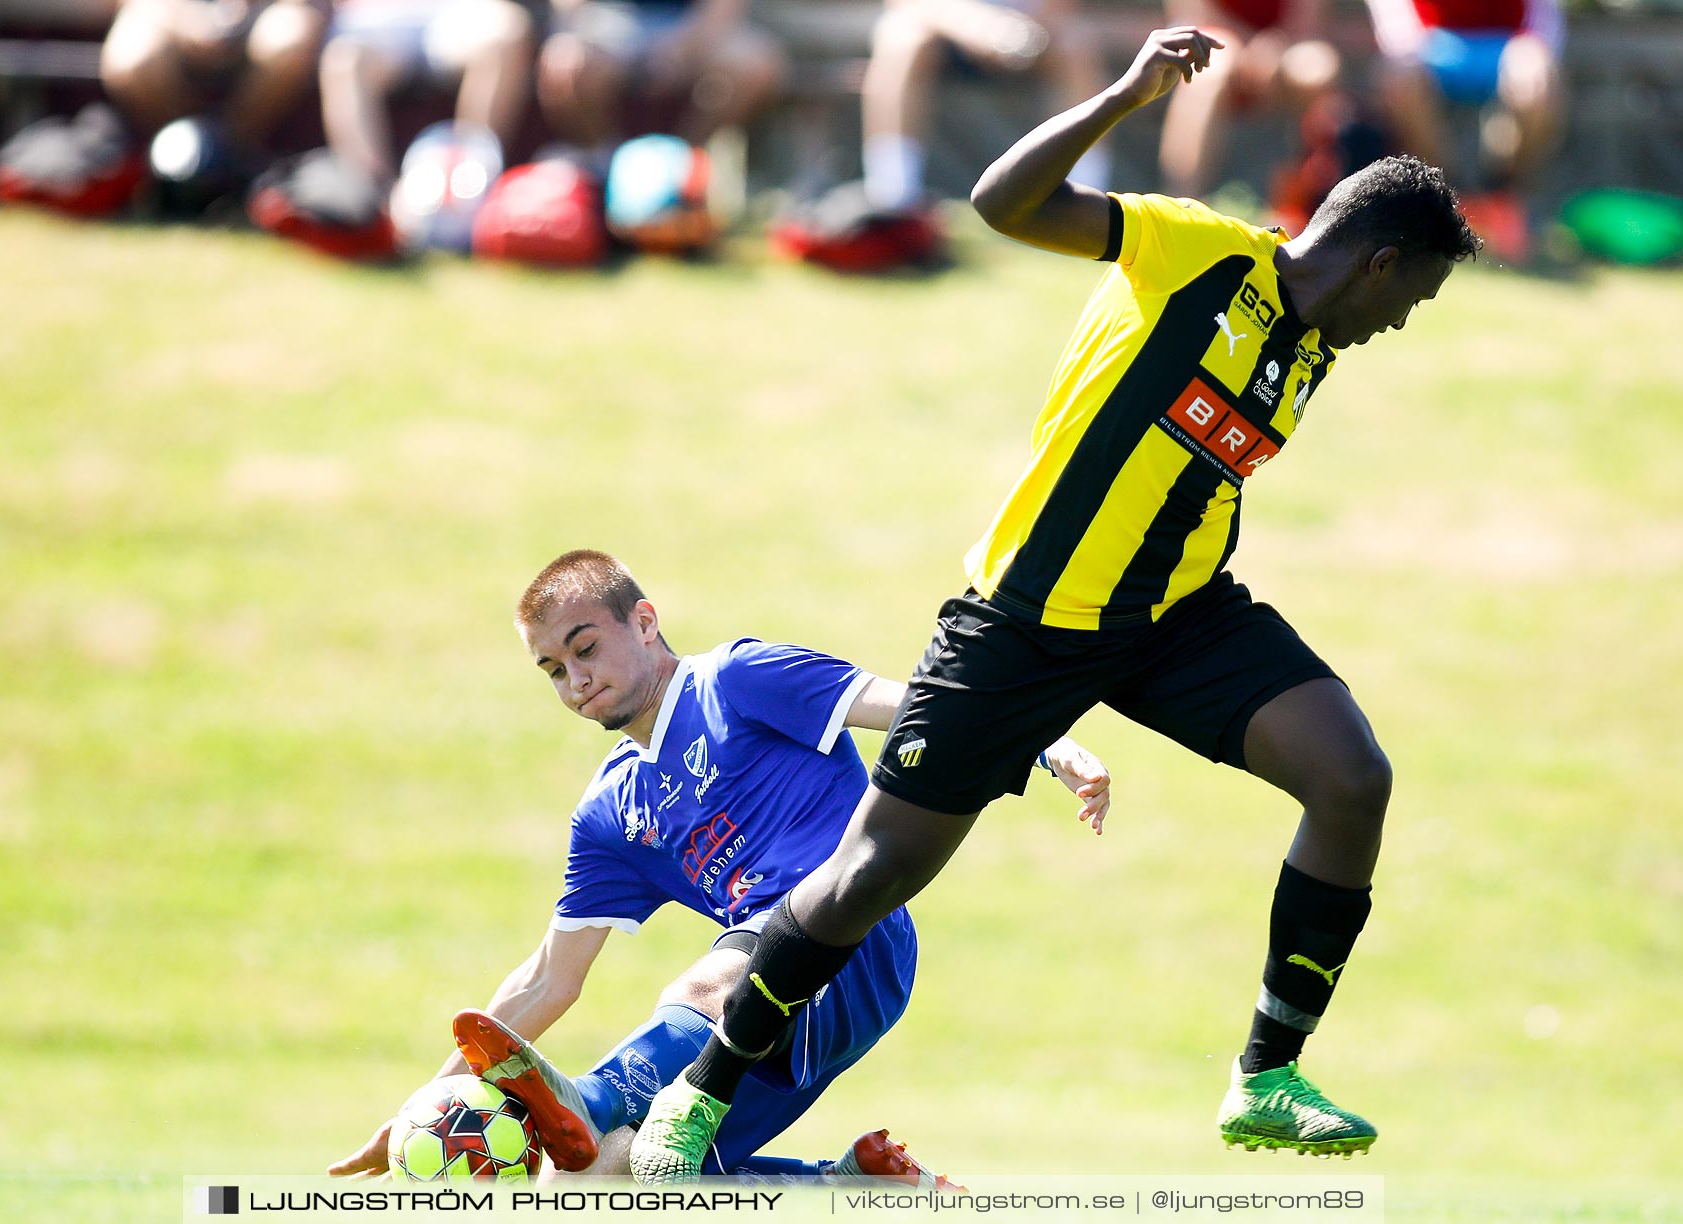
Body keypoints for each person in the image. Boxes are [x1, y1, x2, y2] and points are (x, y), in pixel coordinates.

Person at [630, 26, 1480, 1183]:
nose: (1399, 325)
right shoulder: (1199, 254)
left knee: (1352, 777)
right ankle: (704, 1087)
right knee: (871, 873)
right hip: (1024, 620)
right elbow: (1003, 201)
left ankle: (1265, 1077)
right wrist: (1125, 96)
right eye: (1414, 300)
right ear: (1379, 262)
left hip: (1179, 616)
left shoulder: (1311, 351)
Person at [330, 550, 1111, 1180]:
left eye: (585, 649)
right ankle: (846, 1184)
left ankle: (593, 1096)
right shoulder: (610, 813)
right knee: (597, 1180)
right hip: (756, 1020)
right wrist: (423, 1103)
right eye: (553, 671)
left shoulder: (735, 680)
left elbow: (906, 705)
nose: (576, 682)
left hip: (851, 941)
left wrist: (1043, 744)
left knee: (706, 983)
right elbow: (546, 979)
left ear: (643, 621)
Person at [861, 0, 1111, 218]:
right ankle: (893, 199)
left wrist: (1017, 32)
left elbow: (1059, 7)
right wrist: (976, 27)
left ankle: (1084, 202)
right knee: (900, 39)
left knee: (1077, 44)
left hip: (1032, 35)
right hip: (943, 32)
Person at [1366, 0, 1564, 263]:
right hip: (1428, 41)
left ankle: (1501, 199)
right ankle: (1443, 201)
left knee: (1537, 83)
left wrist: (1535, 47)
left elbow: (1543, 22)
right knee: (1400, 75)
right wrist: (1405, 41)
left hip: (1508, 44)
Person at [318, 0, 539, 186]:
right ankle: (376, 204)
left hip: (461, 9)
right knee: (344, 59)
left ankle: (465, 189)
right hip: (373, 14)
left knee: (506, 34)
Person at [1155, 0, 1345, 204]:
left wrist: (1274, 46)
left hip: (1284, 46)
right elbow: (1191, 11)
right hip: (1216, 41)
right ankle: (1181, 202)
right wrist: (1242, 45)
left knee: (1316, 69)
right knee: (1210, 74)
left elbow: (1308, 20)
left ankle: (1311, 203)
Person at [536, 0, 784, 153]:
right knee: (565, 58)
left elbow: (722, 8)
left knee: (754, 63)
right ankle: (601, 166)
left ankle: (683, 163)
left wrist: (679, 49)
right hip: (610, 23)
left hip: (692, 27)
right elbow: (571, 10)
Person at [100, 0, 328, 157]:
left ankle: (231, 155)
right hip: (167, 11)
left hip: (264, 12)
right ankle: (182, 154)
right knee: (132, 59)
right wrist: (184, 18)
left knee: (290, 38)